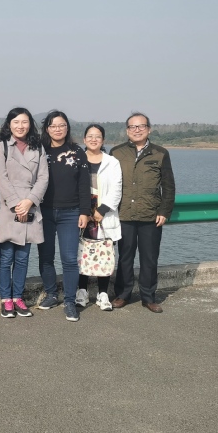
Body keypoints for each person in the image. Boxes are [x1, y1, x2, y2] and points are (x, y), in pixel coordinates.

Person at [110, 112, 175, 313]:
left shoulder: (160, 153)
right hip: (124, 214)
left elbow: (168, 186)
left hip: (151, 215)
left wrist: (164, 211)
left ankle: (148, 297)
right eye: (132, 126)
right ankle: (122, 294)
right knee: (125, 257)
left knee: (149, 258)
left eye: (141, 126)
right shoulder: (116, 153)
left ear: (149, 129)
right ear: (127, 130)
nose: (137, 130)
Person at [0, 107, 48, 319]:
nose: (20, 126)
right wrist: (17, 204)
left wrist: (30, 201)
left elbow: (43, 177)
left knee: (23, 258)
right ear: (9, 124)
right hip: (8, 207)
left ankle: (18, 297)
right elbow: (0, 178)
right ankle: (5, 298)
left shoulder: (38, 147)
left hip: (31, 206)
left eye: (24, 122)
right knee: (6, 257)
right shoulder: (2, 146)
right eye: (16, 122)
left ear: (30, 124)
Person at [36, 111, 90, 322]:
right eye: (53, 125)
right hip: (44, 212)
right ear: (47, 129)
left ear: (67, 128)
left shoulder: (77, 152)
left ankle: (69, 301)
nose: (57, 129)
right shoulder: (40, 150)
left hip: (70, 212)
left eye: (61, 125)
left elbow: (84, 184)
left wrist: (84, 212)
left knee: (69, 259)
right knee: (46, 257)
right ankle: (51, 294)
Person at [75, 124, 122, 311]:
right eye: (90, 136)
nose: (93, 139)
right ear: (84, 139)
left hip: (103, 214)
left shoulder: (112, 162)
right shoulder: (77, 159)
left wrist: (101, 210)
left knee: (104, 253)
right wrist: (84, 211)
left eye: (98, 136)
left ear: (103, 140)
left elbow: (117, 189)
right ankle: (82, 291)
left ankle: (103, 294)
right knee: (82, 252)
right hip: (82, 213)